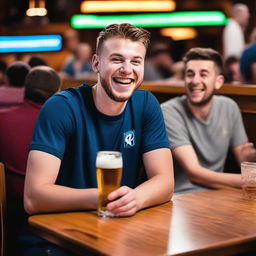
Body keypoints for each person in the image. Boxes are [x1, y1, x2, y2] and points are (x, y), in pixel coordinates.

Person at [22, 23, 174, 255]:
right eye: (116, 59)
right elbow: (34, 198)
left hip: (118, 232)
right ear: (96, 63)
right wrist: (105, 197)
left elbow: (165, 181)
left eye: (136, 61)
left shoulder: (146, 104)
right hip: (57, 239)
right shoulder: (62, 107)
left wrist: (136, 198)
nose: (127, 69)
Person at [161, 47, 256, 194]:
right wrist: (248, 180)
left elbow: (244, 156)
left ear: (218, 82)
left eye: (203, 74)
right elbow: (194, 173)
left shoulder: (229, 107)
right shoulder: (169, 111)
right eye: (190, 74)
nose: (195, 81)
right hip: (182, 198)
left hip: (219, 194)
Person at [0, 65, 61, 255]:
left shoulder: (2, 118)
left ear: (24, 89)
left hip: (7, 207)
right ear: (57, 92)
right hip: (51, 212)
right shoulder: (62, 123)